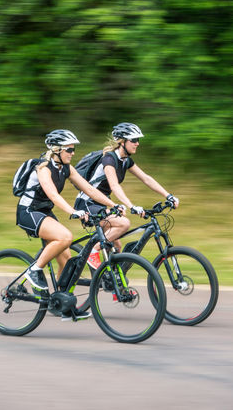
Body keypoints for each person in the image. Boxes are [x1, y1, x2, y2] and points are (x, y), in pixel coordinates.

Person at [16, 129, 119, 321]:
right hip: (28, 211)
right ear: (56, 150)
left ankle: (63, 304)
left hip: (44, 212)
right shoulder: (43, 168)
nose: (73, 153)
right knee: (65, 237)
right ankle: (34, 270)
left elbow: (88, 188)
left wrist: (113, 205)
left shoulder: (66, 168)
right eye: (69, 150)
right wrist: (73, 212)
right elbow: (54, 195)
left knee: (66, 257)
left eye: (73, 150)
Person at [74, 122, 179, 268]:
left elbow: (146, 178)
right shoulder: (109, 159)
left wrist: (168, 195)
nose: (137, 144)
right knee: (123, 223)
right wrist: (132, 206)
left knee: (117, 245)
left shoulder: (125, 161)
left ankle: (111, 279)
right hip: (88, 203)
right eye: (134, 140)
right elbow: (114, 185)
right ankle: (93, 251)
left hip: (102, 203)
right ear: (122, 142)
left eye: (138, 140)